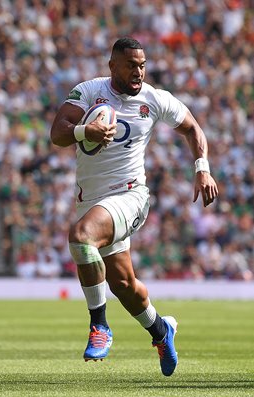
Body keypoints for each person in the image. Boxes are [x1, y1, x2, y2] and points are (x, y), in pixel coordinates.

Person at [50, 37, 218, 377]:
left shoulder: (154, 99)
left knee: (81, 237)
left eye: (142, 65)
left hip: (131, 196)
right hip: (93, 201)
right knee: (124, 287)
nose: (138, 71)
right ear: (113, 66)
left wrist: (202, 169)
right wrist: (86, 131)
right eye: (131, 65)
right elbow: (58, 132)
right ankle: (161, 331)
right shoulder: (88, 91)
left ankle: (100, 326)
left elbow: (193, 129)